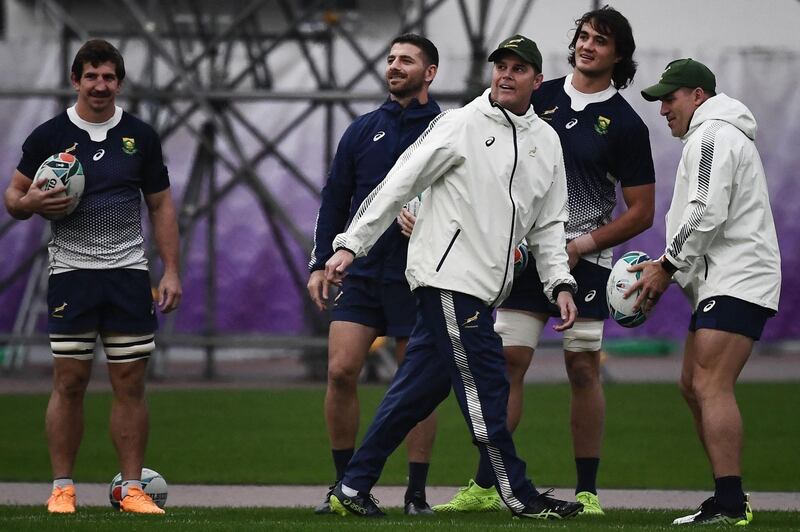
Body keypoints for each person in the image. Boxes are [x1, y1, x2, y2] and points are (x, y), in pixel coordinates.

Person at [323, 34, 583, 520]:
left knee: (415, 392)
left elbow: (549, 227)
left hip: (485, 289)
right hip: (447, 279)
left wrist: (560, 284)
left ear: (538, 80)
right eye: (500, 66)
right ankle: (519, 495)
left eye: (518, 68)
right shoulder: (459, 123)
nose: (506, 75)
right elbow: (399, 181)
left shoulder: (546, 141)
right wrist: (349, 245)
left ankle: (351, 486)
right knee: (488, 385)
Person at [435, 6, 655, 516]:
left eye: (600, 40)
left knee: (582, 369)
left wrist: (582, 244)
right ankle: (488, 484)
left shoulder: (624, 124)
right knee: (509, 363)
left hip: (590, 262)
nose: (587, 45)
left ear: (618, 54)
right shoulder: (540, 95)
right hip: (525, 259)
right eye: (582, 36)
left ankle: (587, 492)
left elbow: (641, 212)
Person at [4, 39, 181, 515]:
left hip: (127, 273)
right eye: (91, 76)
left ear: (119, 82)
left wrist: (171, 271)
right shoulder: (49, 135)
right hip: (71, 274)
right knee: (69, 381)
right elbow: (14, 197)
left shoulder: (140, 136)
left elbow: (161, 204)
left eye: (108, 77)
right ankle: (63, 488)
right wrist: (31, 204)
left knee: (130, 381)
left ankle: (131, 489)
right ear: (75, 81)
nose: (100, 86)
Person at [632, 58, 780, 525]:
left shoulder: (713, 134)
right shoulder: (713, 134)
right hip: (725, 277)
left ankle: (732, 503)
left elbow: (704, 210)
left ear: (698, 95)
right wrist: (668, 268)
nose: (663, 110)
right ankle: (726, 495)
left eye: (669, 99)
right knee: (692, 387)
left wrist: (667, 267)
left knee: (710, 384)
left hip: (738, 277)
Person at [307, 33, 441, 515]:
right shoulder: (363, 130)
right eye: (390, 59)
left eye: (406, 60)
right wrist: (321, 261)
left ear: (430, 73)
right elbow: (334, 199)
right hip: (361, 274)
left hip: (419, 276)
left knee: (417, 381)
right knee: (341, 372)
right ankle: (345, 488)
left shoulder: (448, 129)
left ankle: (416, 494)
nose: (394, 66)